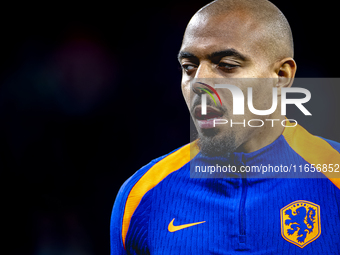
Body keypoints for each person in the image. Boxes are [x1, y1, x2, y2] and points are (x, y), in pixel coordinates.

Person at [110, 0, 340, 254]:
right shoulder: (141, 197)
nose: (199, 83)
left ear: (281, 77)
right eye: (189, 67)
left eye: (227, 65)